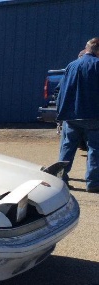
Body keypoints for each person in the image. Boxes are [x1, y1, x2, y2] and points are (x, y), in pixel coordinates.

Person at [57, 38, 99, 193]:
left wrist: (60, 113)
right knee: (95, 149)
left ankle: (60, 178)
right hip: (93, 115)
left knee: (67, 147)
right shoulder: (97, 65)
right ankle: (93, 182)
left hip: (71, 114)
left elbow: (62, 90)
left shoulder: (71, 66)